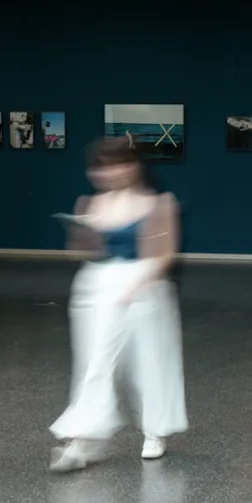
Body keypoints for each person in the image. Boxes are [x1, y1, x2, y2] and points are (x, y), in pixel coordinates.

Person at [49, 139, 188, 473]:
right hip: (99, 288)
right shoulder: (91, 203)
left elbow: (165, 254)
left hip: (144, 288)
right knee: (95, 363)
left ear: (133, 166)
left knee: (151, 363)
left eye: (117, 164)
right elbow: (81, 252)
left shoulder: (158, 203)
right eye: (102, 167)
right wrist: (83, 234)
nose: (109, 172)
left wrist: (137, 284)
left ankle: (155, 430)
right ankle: (84, 438)